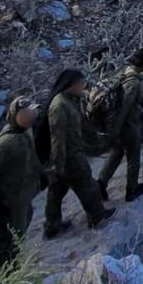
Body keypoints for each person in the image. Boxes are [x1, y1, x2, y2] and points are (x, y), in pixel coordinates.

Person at [43, 69, 114, 238]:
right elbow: (57, 137)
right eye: (81, 84)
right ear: (72, 84)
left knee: (56, 193)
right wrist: (58, 164)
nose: (83, 87)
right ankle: (97, 217)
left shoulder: (71, 100)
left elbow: (81, 123)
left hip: (69, 154)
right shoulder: (59, 105)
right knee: (87, 186)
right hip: (69, 156)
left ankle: (52, 226)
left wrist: (95, 138)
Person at [0, 97, 43, 266]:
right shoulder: (5, 144)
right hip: (6, 202)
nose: (30, 116)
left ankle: (6, 264)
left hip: (20, 197)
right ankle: (7, 272)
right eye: (25, 113)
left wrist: (43, 174)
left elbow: (32, 158)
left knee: (21, 227)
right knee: (11, 239)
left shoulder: (25, 133)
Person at [97, 50, 143, 203]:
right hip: (127, 125)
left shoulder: (124, 73)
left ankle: (101, 183)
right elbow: (125, 108)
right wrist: (116, 129)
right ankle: (131, 189)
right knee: (133, 156)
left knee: (117, 152)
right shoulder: (133, 83)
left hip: (117, 124)